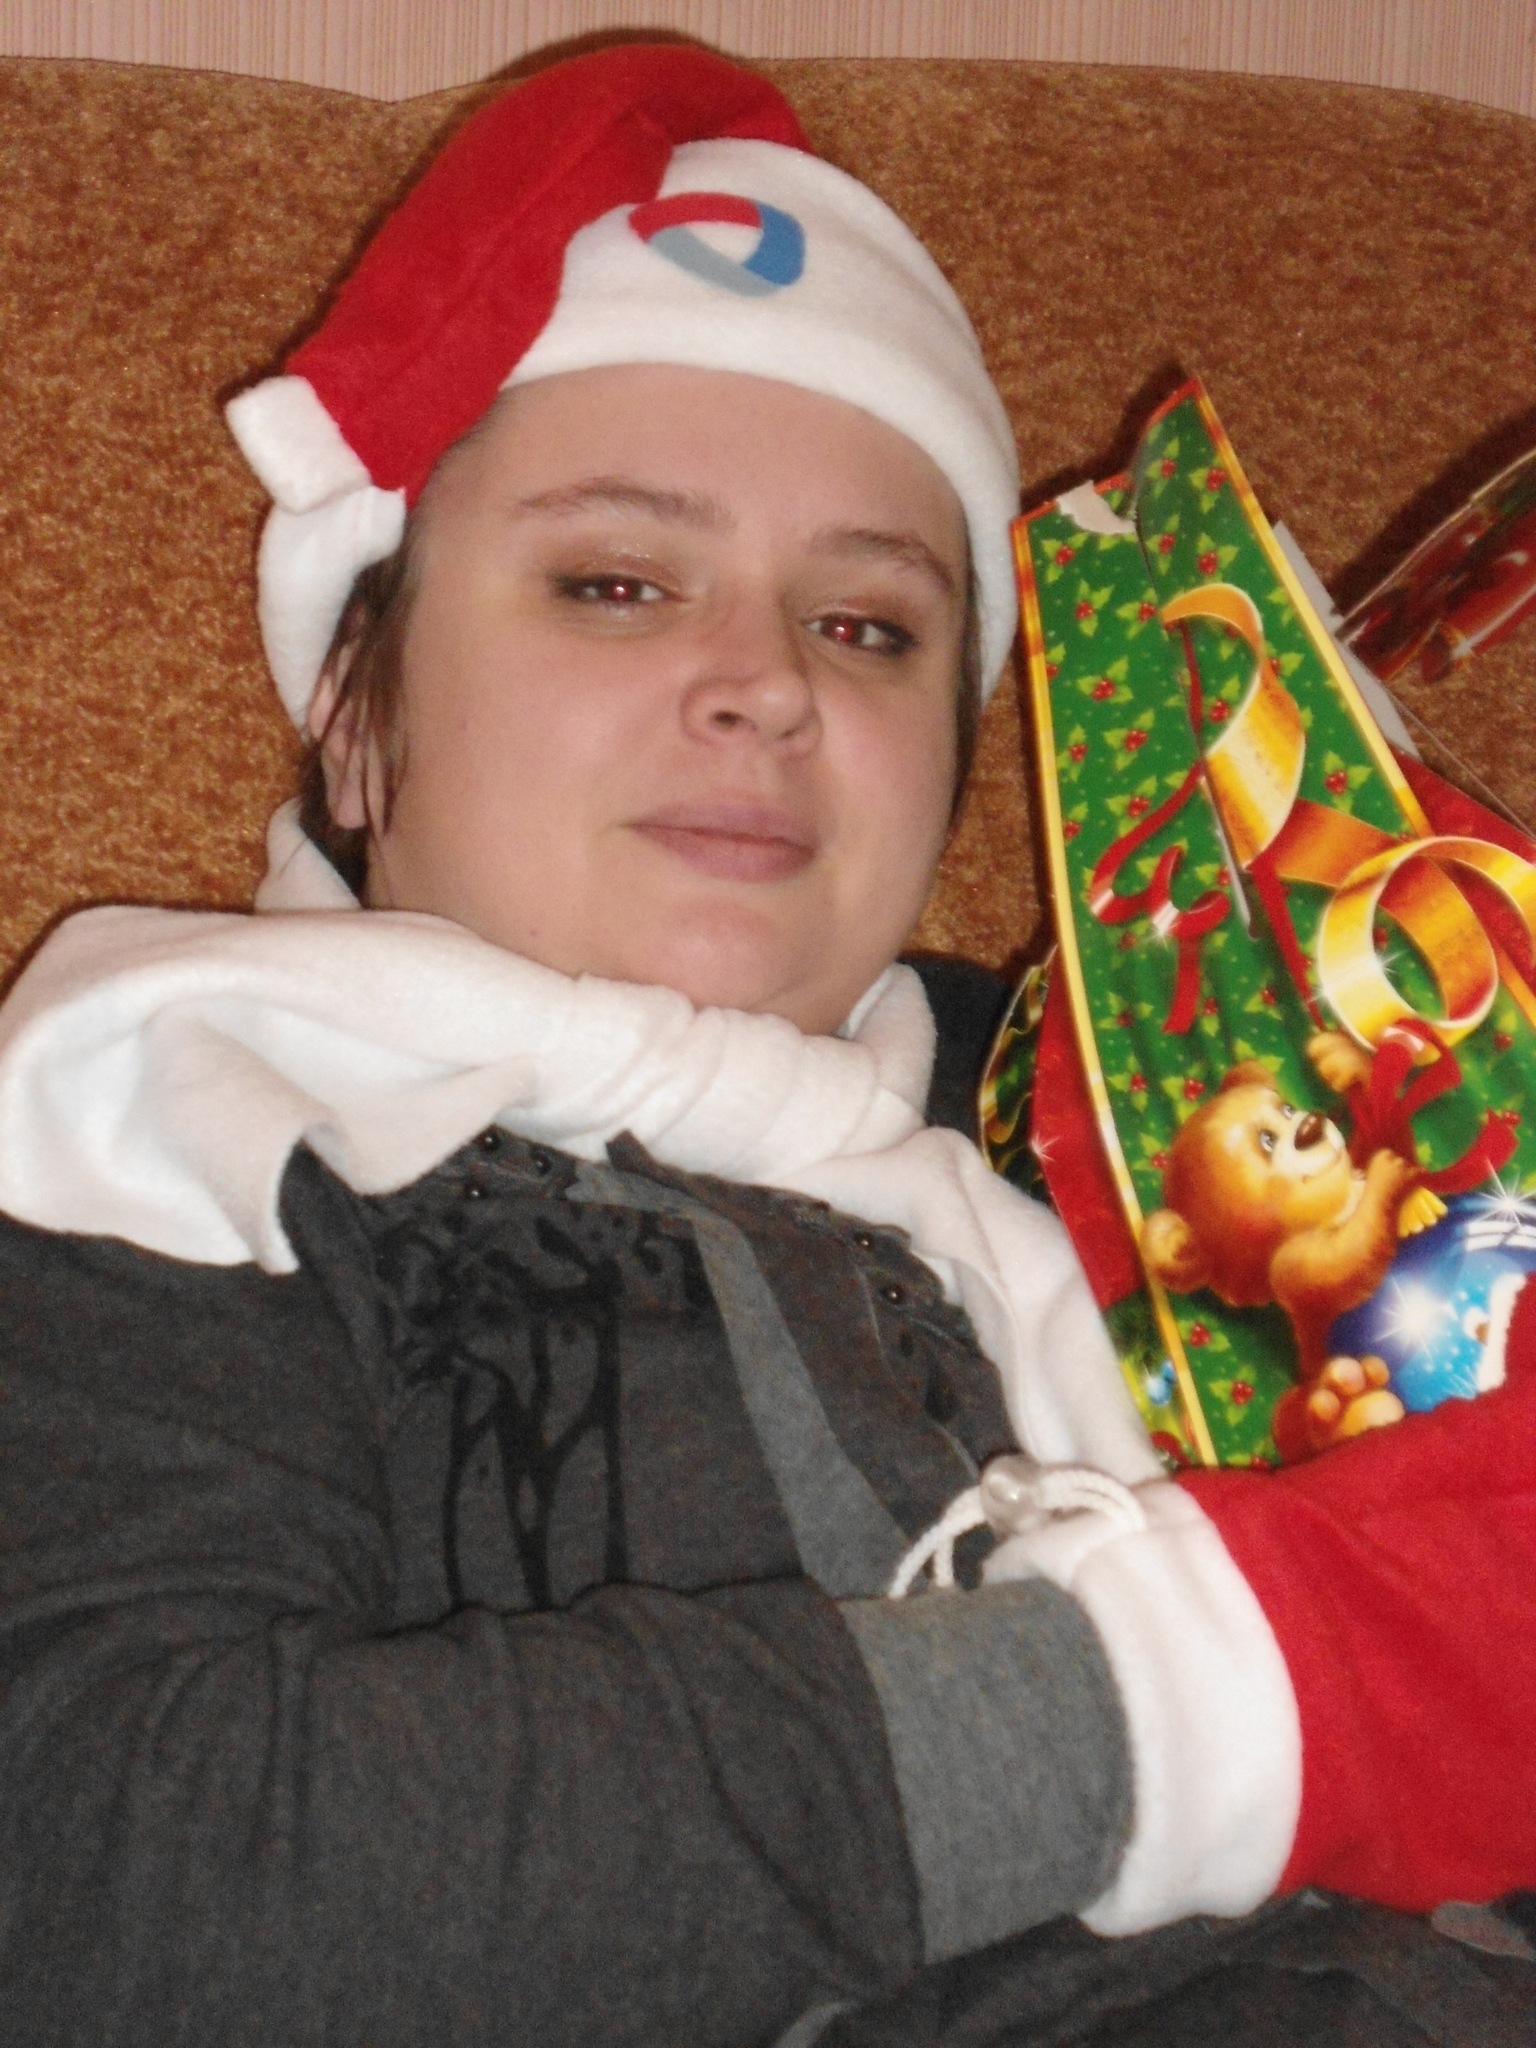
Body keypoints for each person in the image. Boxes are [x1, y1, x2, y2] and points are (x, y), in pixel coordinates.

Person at [0, 39, 1531, 2048]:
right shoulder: (164, 1116)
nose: (765, 686)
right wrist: (1216, 1690)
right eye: (617, 583)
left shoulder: (1131, 1108)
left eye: (868, 626)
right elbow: (113, 1880)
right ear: (358, 718)